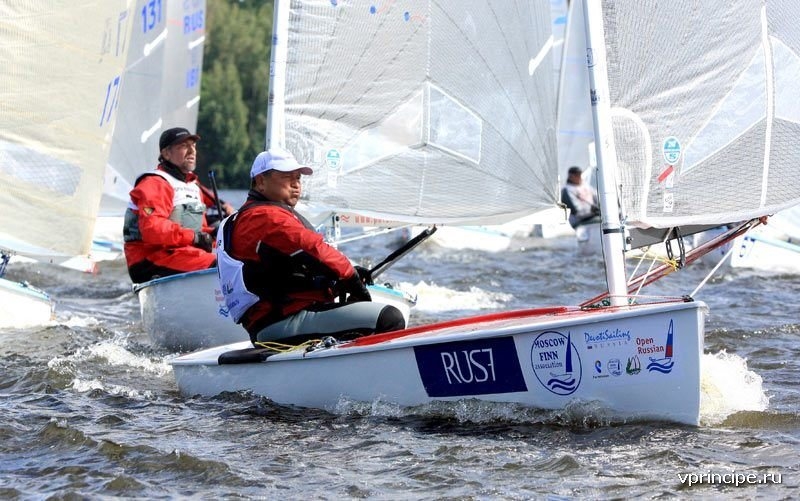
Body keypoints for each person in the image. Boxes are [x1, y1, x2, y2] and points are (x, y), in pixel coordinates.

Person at [216, 147, 406, 345]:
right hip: (282, 321)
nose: (296, 184)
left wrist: (337, 279)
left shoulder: (250, 216)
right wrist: (351, 277)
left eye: (298, 178)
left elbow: (297, 266)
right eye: (287, 177)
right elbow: (313, 249)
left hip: (282, 319)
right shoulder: (263, 217)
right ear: (261, 181)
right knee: (389, 318)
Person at [123, 127, 233, 283]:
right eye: (183, 146)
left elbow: (197, 226)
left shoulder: (193, 185)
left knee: (239, 258)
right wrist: (195, 237)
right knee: (223, 266)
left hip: (183, 253)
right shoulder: (154, 183)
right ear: (166, 154)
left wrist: (214, 232)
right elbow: (153, 229)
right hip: (150, 259)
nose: (192, 151)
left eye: (193, 146)